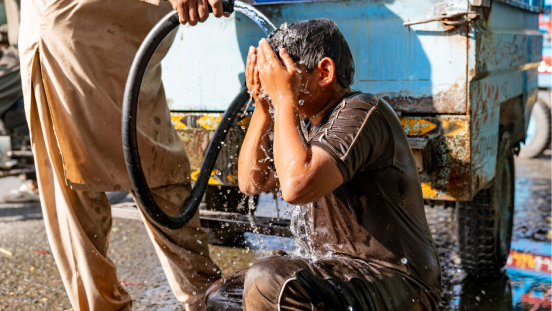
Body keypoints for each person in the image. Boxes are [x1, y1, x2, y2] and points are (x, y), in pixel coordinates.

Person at [206, 19, 442, 310]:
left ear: (325, 72)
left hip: (400, 283)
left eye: (286, 75)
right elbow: (251, 183)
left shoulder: (362, 111)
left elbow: (296, 186)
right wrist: (263, 105)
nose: (277, 84)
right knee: (222, 296)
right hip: (342, 272)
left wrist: (282, 97)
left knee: (267, 281)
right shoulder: (305, 122)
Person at [19, 0, 228, 310]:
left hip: (131, 28)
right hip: (70, 26)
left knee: (159, 170)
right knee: (77, 187)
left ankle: (208, 298)